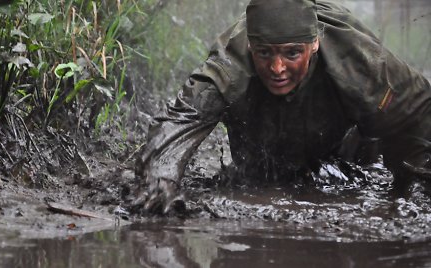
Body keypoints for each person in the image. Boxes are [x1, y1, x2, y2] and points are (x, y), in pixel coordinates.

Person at [132, 0, 431, 214]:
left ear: (314, 44)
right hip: (263, 153)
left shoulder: (358, 63)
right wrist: (161, 180)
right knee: (256, 179)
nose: (277, 68)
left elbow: (418, 110)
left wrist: (414, 186)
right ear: (251, 46)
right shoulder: (229, 66)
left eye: (291, 54)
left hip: (342, 142)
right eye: (265, 53)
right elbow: (184, 118)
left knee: (371, 153)